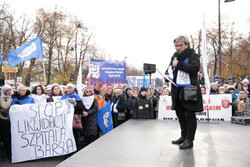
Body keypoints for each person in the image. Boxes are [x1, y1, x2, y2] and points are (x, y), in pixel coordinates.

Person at [165, 35, 203, 149]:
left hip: (189, 89)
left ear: (186, 44)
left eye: (180, 45)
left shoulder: (193, 55)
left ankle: (189, 140)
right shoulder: (175, 56)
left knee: (190, 115)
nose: (177, 48)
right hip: (177, 89)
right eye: (176, 45)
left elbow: (194, 69)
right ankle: (183, 136)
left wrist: (179, 64)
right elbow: (171, 70)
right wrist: (167, 74)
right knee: (180, 114)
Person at [61, 83, 84, 150]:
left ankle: (76, 148)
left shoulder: (77, 97)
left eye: (71, 88)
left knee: (75, 134)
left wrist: (75, 104)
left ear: (73, 89)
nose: (69, 89)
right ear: (66, 89)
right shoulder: (63, 97)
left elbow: (81, 109)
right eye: (68, 88)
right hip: (65, 118)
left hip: (74, 118)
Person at [0, 85, 13, 159]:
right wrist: (11, 98)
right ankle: (8, 153)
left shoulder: (12, 97)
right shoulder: (1, 98)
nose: (9, 92)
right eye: (7, 91)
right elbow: (5, 106)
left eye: (10, 90)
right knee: (6, 137)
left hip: (11, 120)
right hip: (4, 120)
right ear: (4, 92)